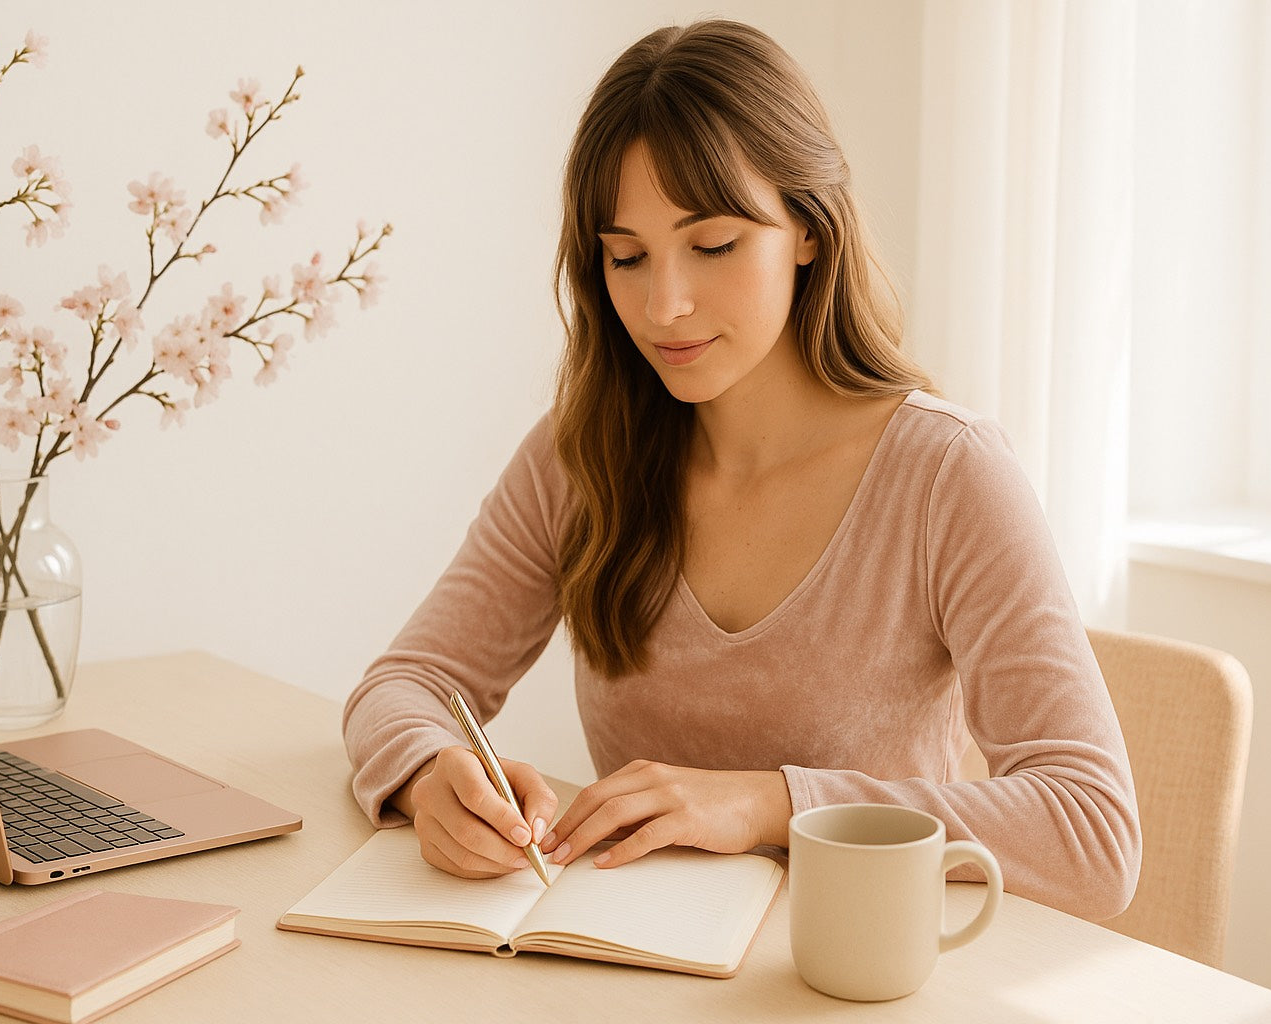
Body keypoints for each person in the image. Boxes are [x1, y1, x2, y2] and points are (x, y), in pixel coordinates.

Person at [343, 18, 1141, 922]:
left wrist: (771, 802)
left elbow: (1093, 834)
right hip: (632, 968)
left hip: (852, 979)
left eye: (713, 245)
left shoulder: (945, 477)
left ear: (807, 228)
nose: (664, 305)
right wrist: (426, 774)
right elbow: (404, 684)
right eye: (627, 257)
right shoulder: (584, 455)